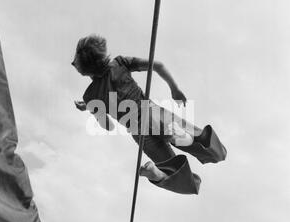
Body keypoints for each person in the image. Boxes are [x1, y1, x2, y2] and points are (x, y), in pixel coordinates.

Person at [72, 35, 227, 195]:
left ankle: (157, 173)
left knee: (178, 176)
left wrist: (93, 109)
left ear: (84, 70)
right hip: (153, 114)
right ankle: (180, 136)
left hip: (139, 133)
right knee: (213, 150)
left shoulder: (90, 96)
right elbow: (158, 65)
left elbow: (108, 126)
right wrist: (174, 89)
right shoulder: (119, 63)